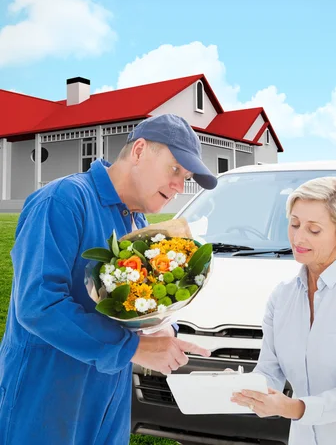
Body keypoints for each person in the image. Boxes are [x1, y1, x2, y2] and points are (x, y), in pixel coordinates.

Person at [0, 114, 216, 445]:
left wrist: (157, 330)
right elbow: (38, 304)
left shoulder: (139, 221)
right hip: (45, 397)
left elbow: (124, 310)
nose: (179, 185)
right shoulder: (64, 200)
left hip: (108, 397)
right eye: (175, 170)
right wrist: (136, 347)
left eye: (185, 177)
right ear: (140, 150)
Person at [231, 176, 336, 445]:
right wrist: (238, 388)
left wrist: (295, 408)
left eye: (314, 230)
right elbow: (269, 371)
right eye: (294, 224)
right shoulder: (282, 296)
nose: (298, 237)